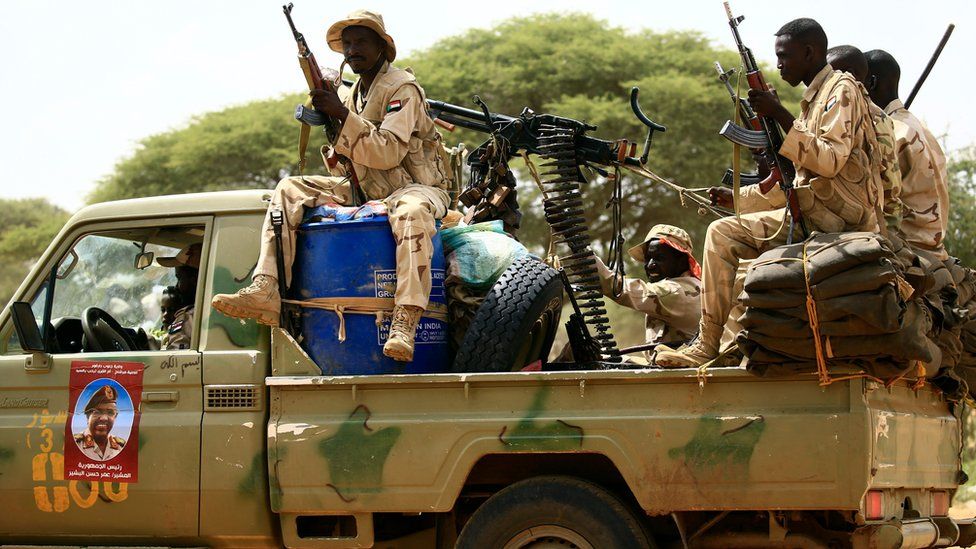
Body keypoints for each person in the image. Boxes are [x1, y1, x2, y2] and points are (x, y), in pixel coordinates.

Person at [211, 10, 452, 362]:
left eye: (361, 42)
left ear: (383, 48)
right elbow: (351, 156)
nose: (352, 50)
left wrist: (341, 114)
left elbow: (387, 151)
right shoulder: (355, 92)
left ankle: (406, 319)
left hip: (417, 187)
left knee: (412, 212)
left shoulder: (402, 87)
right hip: (369, 189)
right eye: (348, 44)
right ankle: (266, 287)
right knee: (289, 189)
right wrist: (332, 120)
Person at [656, 18, 882, 368]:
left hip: (839, 216)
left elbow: (830, 161)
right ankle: (714, 341)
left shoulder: (842, 89)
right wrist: (739, 199)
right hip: (820, 208)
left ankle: (707, 342)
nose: (779, 66)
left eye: (785, 57)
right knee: (728, 227)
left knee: (721, 234)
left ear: (810, 52)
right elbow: (797, 182)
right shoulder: (818, 98)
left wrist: (779, 114)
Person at [865, 49, 950, 259]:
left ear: (871, 83)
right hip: (932, 244)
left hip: (910, 246)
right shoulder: (916, 127)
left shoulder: (892, 132)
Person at [595, 225, 702, 362]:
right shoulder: (691, 285)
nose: (650, 265)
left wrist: (585, 257)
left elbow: (620, 289)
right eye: (647, 258)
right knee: (599, 356)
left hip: (676, 377)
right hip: (666, 368)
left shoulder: (676, 291)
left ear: (681, 261)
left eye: (659, 258)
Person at [826, 45, 902, 234]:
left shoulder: (872, 117)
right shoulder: (842, 112)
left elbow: (890, 188)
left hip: (867, 225)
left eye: (829, 76)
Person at [157, 243, 201, 350]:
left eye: (179, 278)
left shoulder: (188, 318)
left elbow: (172, 362)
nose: (177, 286)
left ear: (195, 280)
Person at [74, 385, 126, 461]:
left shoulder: (121, 447)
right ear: (88, 416)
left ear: (115, 416)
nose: (104, 418)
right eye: (97, 412)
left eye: (110, 413)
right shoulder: (75, 444)